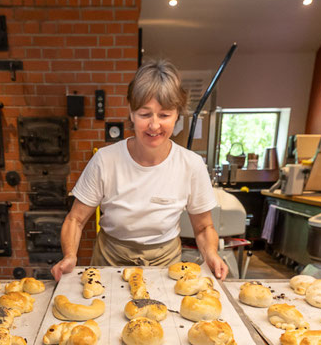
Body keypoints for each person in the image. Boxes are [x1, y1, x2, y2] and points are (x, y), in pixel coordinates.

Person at [50, 59, 230, 281]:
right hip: (110, 262)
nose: (154, 125)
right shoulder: (105, 160)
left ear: (177, 115)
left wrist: (211, 255)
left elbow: (203, 228)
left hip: (166, 266)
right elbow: (75, 220)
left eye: (164, 115)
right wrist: (69, 255)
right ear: (131, 113)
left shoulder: (191, 165)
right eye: (145, 114)